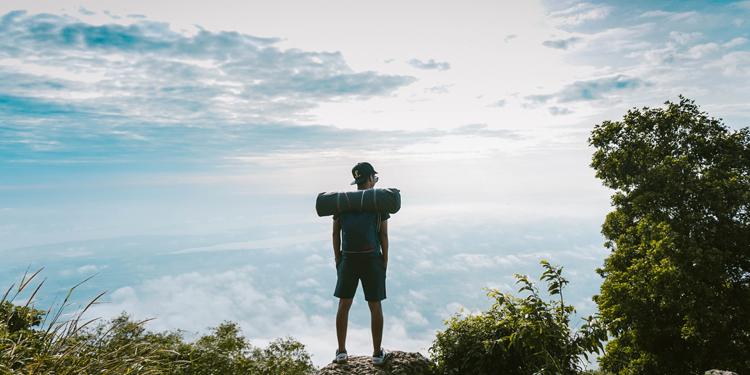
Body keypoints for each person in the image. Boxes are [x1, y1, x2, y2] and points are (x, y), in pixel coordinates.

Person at [332, 162, 389, 366]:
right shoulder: (377, 202)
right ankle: (376, 354)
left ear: (356, 181)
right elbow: (383, 233)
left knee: (343, 305)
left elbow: (335, 232)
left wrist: (339, 258)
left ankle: (341, 351)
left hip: (348, 258)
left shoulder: (343, 202)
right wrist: (384, 261)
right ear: (371, 178)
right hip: (371, 259)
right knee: (375, 306)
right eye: (374, 177)